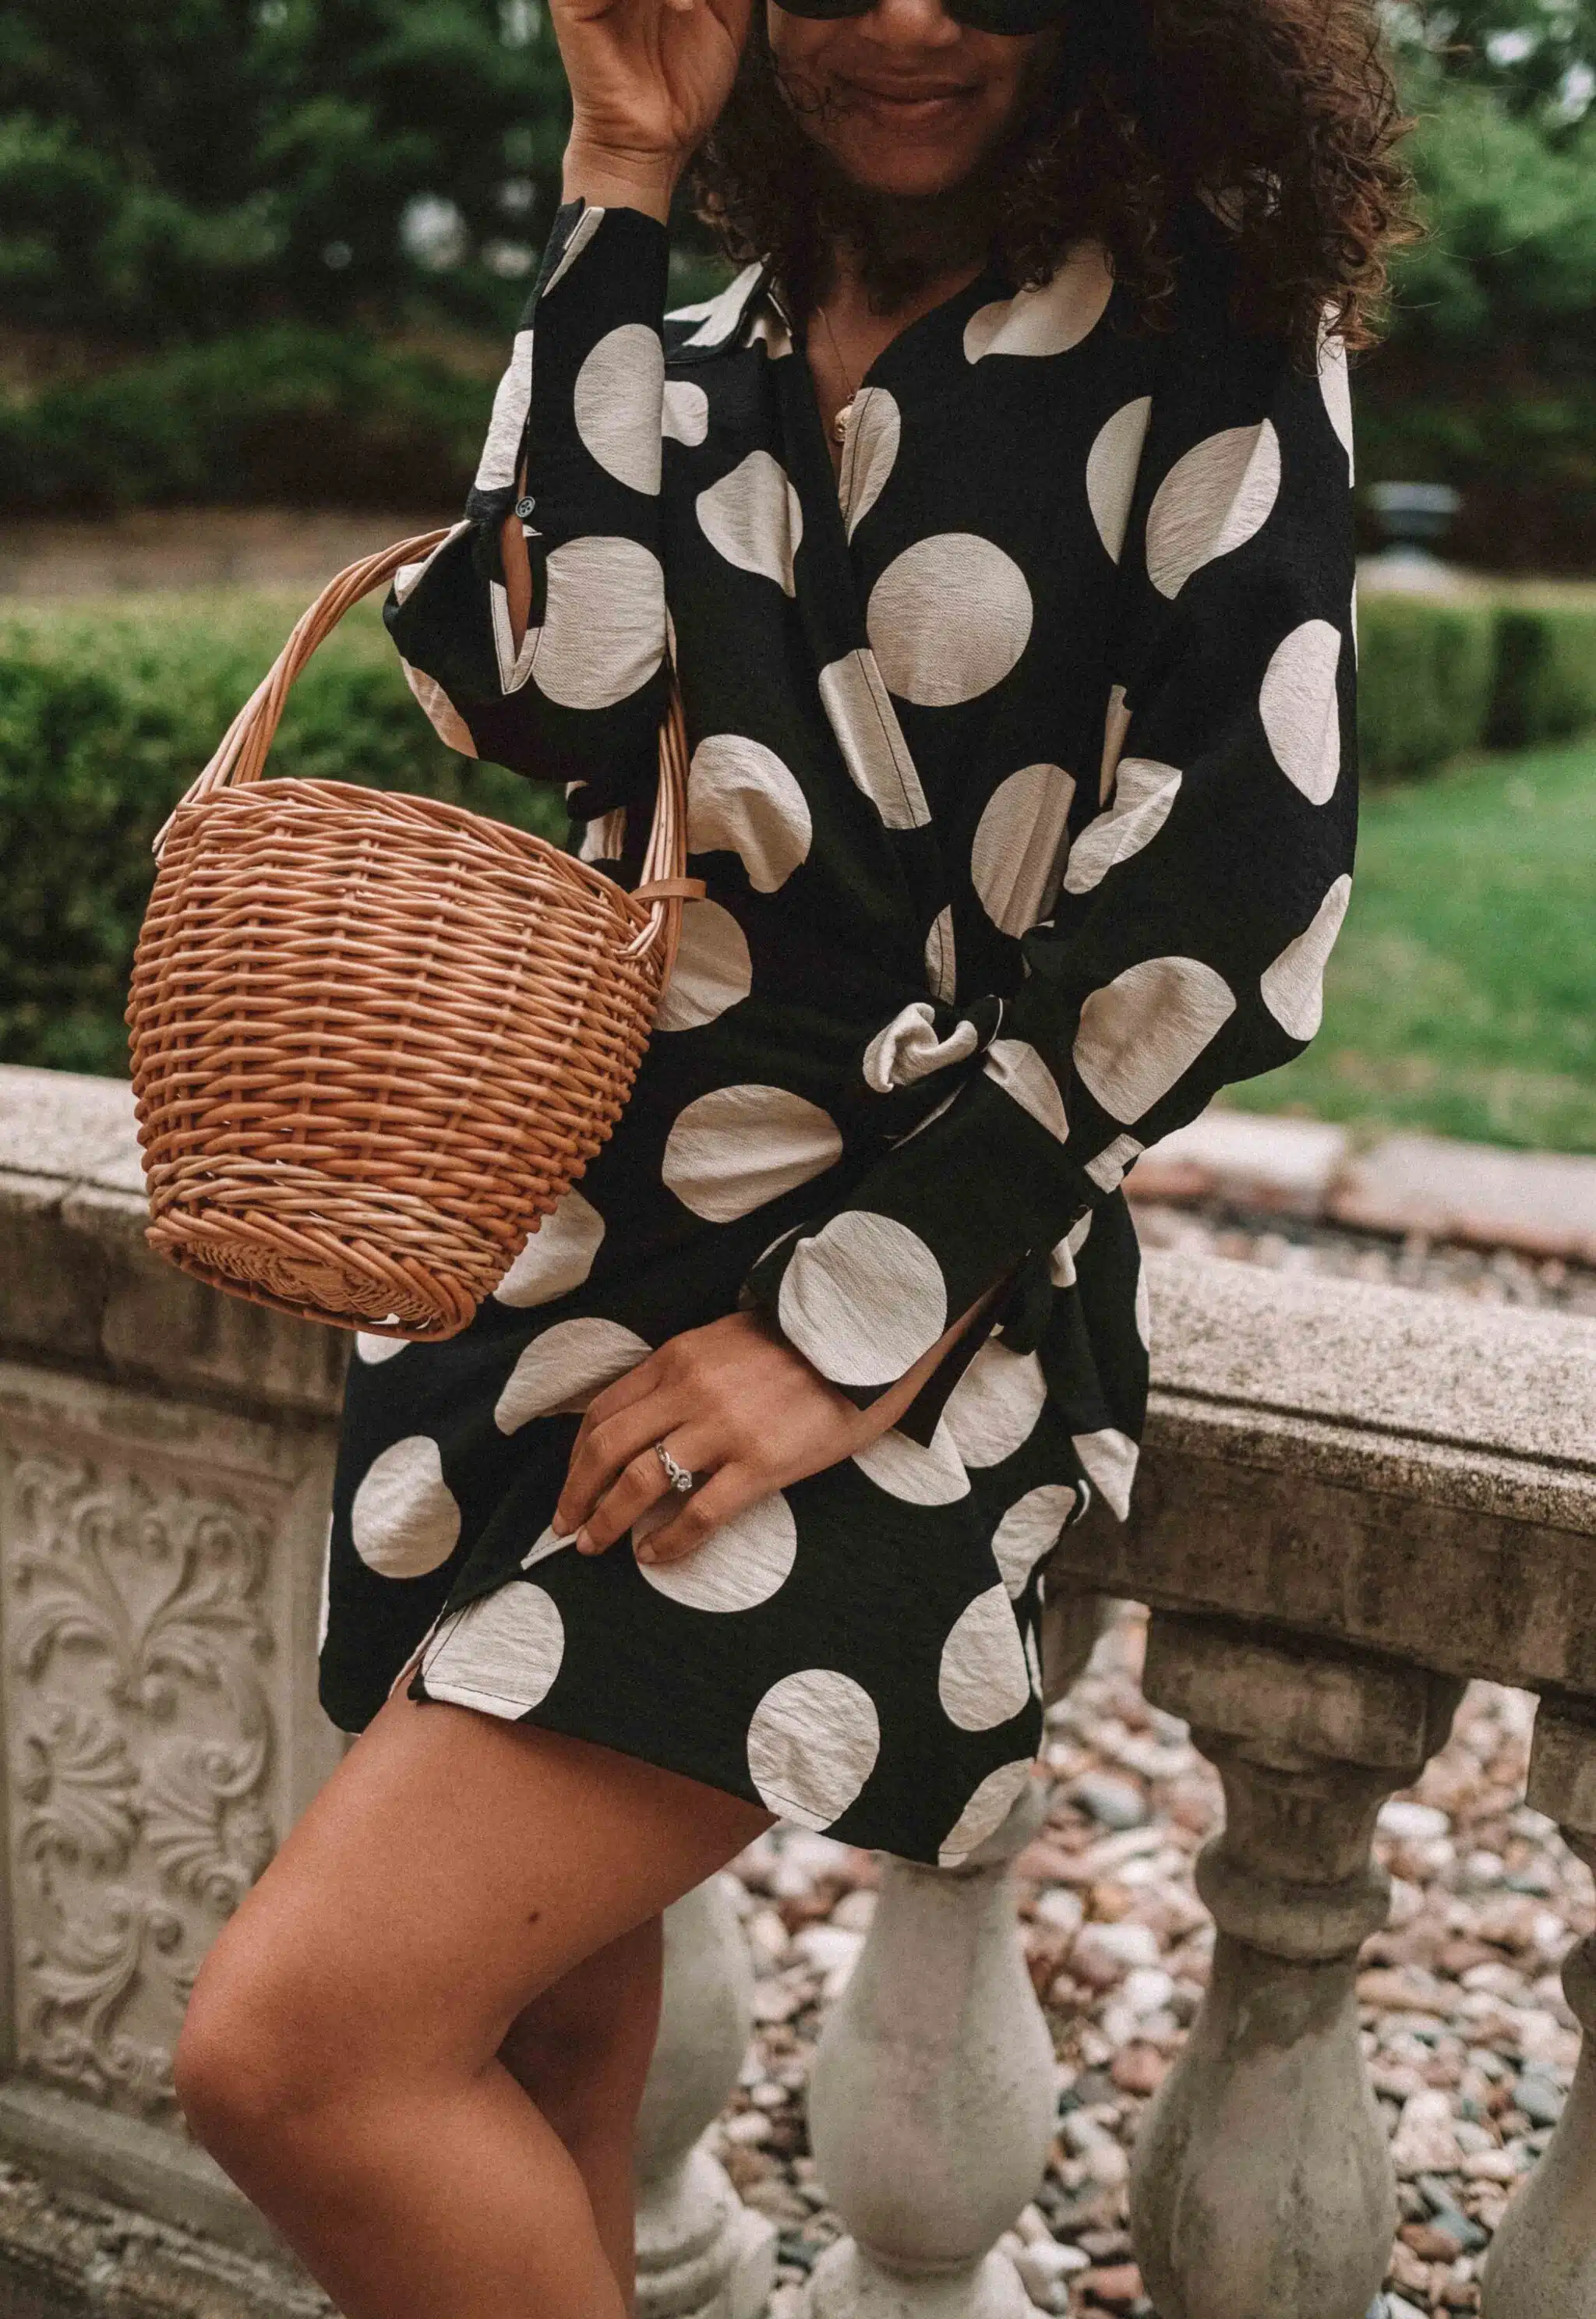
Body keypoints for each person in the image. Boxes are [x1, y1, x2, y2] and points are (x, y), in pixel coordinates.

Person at [172, 0, 1409, 2304]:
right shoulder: (699, 322)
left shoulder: (1218, 334)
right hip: (532, 1267)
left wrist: (853, 1319)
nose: (910, 15)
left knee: (297, 2057)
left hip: (912, 1292)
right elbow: (530, 682)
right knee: (532, 2038)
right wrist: (618, 175)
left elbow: (1239, 894)